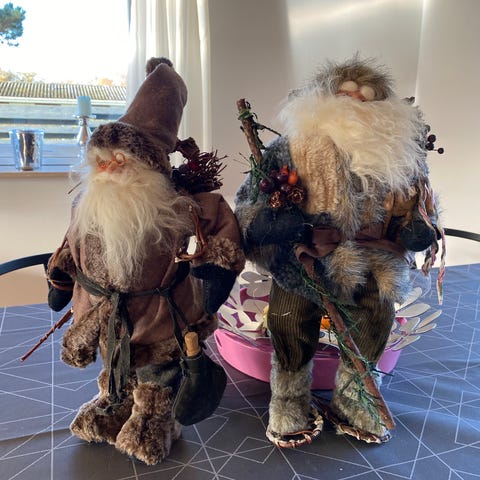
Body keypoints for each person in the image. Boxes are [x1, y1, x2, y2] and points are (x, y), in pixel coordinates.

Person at [234, 56, 443, 446]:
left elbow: (419, 205)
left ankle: (354, 399)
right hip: (302, 260)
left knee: (373, 320)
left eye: (366, 98)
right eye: (345, 95)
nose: (354, 104)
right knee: (288, 320)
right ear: (324, 98)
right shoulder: (290, 148)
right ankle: (288, 401)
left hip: (369, 261)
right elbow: (249, 201)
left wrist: (418, 228)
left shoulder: (398, 156)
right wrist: (268, 223)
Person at [46, 58, 245, 465]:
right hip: (101, 316)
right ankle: (113, 405)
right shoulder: (86, 206)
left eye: (120, 160)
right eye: (101, 160)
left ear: (150, 165)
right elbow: (69, 245)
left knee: (157, 371)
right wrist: (61, 280)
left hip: (162, 316)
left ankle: (154, 419)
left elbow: (221, 231)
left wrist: (216, 274)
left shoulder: (181, 208)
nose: (108, 169)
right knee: (115, 366)